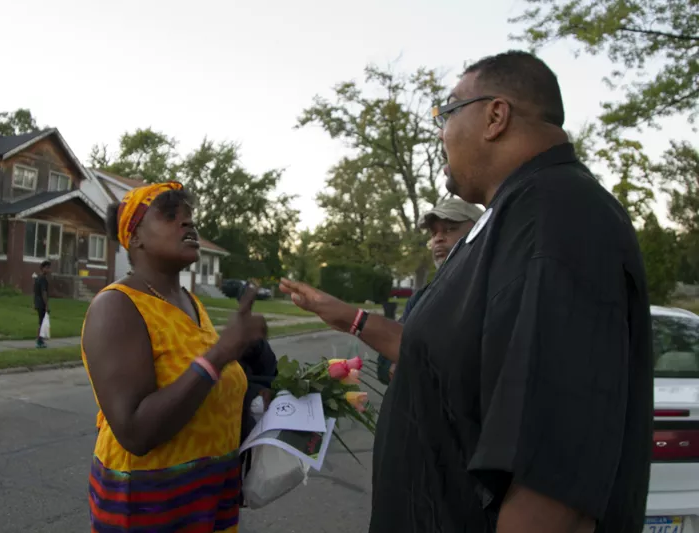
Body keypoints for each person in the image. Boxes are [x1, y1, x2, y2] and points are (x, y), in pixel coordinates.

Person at [284, 51, 653, 533]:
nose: (439, 131)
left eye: (446, 111)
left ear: (495, 116)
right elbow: (444, 358)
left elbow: (553, 478)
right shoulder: (509, 218)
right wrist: (346, 316)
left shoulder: (561, 217)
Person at [81, 181, 267, 533]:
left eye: (190, 216)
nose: (188, 224)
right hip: (148, 509)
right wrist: (221, 354)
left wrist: (264, 399)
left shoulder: (190, 303)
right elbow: (135, 432)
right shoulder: (117, 306)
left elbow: (208, 393)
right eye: (170, 216)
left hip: (210, 501)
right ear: (135, 238)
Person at [376, 197, 484, 383]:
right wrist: (393, 367)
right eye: (434, 233)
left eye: (449, 229)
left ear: (480, 231)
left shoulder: (494, 291)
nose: (438, 238)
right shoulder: (421, 298)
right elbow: (384, 362)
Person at [33, 260, 51, 348]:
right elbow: (44, 292)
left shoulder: (38, 278)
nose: (48, 270)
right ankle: (39, 341)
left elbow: (35, 292)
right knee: (42, 323)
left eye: (49, 268)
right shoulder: (43, 279)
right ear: (42, 268)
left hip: (37, 302)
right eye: (46, 268)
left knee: (41, 322)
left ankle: (40, 340)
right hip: (42, 304)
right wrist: (47, 305)